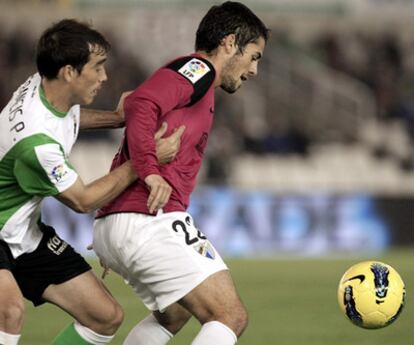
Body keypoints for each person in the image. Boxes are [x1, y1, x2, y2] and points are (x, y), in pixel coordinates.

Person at [93, 2, 269, 344]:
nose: (254, 69)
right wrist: (150, 172)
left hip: (125, 219)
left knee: (175, 311)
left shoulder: (199, 79)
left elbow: (139, 105)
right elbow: (140, 103)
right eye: (255, 55)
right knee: (229, 316)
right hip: (146, 216)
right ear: (230, 43)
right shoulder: (199, 70)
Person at [0, 19, 183, 345]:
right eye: (97, 68)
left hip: (21, 232)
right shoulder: (35, 144)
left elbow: (66, 119)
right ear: (69, 71)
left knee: (104, 317)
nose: (104, 77)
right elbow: (83, 200)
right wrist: (144, 160)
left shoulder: (43, 89)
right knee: (9, 312)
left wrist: (116, 118)